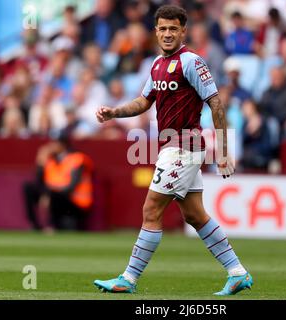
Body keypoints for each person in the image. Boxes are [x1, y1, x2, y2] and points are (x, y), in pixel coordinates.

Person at [93, 5, 252, 296]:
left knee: (151, 209)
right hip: (172, 146)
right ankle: (237, 272)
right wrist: (114, 112)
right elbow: (143, 102)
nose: (167, 34)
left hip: (184, 146)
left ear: (183, 31)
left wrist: (223, 151)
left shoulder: (192, 61)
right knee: (195, 215)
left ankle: (128, 279)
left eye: (173, 29)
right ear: (155, 31)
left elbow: (215, 103)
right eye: (162, 28)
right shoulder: (155, 65)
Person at [23, 137, 94, 231]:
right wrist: (40, 163)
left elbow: (71, 187)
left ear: (62, 145)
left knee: (53, 194)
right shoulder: (51, 160)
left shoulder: (76, 158)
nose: (50, 146)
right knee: (28, 188)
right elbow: (39, 183)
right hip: (56, 197)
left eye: (53, 143)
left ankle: (52, 226)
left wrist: (48, 194)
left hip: (76, 203)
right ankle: (35, 225)